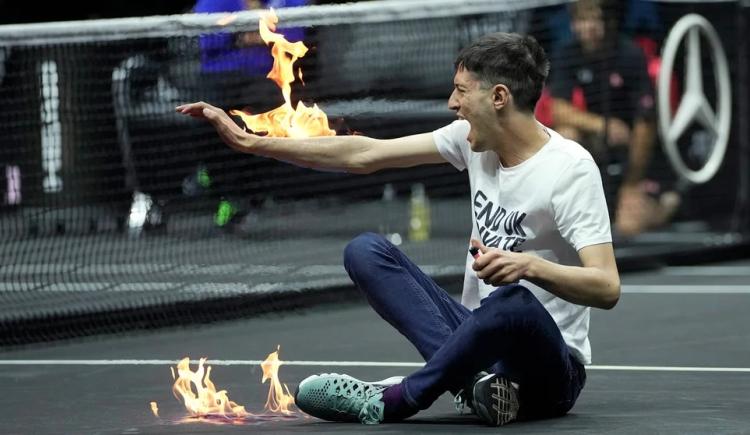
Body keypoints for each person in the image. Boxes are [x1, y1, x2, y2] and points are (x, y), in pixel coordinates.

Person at [176, 31, 620, 426]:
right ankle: (476, 385)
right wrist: (251, 142)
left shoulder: (570, 170)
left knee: (513, 303)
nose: (452, 103)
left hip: (550, 369)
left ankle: (396, 399)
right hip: (478, 343)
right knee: (366, 251)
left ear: (499, 97)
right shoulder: (470, 143)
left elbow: (606, 287)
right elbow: (364, 154)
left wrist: (528, 266)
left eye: (462, 91)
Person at [547, 0, 679, 237]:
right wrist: (603, 126)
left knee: (628, 227)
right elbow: (558, 110)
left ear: (609, 22)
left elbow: (646, 122)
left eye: (594, 20)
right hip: (600, 139)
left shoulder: (630, 54)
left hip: (634, 147)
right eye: (582, 20)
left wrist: (632, 181)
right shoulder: (567, 53)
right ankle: (574, 202)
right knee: (566, 134)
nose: (588, 27)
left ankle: (666, 202)